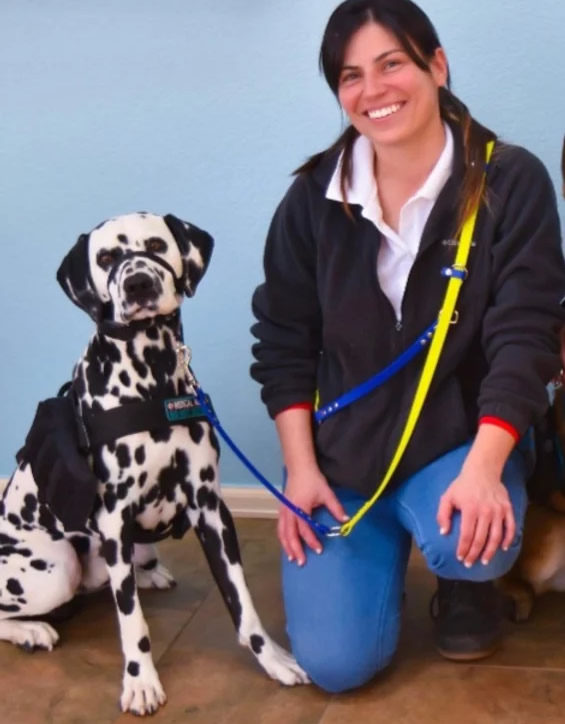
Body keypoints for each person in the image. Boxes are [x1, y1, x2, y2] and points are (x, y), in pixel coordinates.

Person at [250, 0, 565, 693]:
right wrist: (299, 471)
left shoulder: (510, 181)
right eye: (351, 75)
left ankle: (465, 583)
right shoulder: (310, 200)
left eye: (392, 63)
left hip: (457, 446)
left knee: (468, 544)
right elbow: (283, 341)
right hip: (346, 459)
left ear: (436, 66)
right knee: (336, 667)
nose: (373, 90)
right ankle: (372, 571)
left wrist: (485, 468)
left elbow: (525, 332)